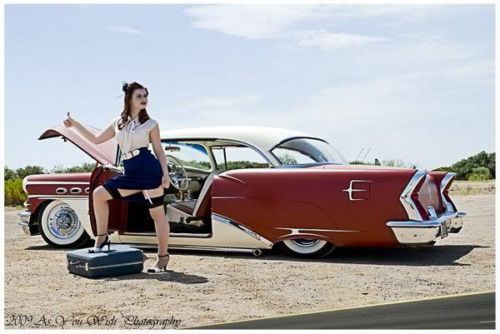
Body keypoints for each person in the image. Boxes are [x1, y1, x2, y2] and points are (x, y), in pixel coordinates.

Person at [63, 81, 171, 273]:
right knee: (98, 195)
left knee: (157, 214)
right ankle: (102, 237)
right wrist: (75, 125)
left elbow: (159, 151)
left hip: (149, 169)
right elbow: (96, 140)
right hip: (130, 171)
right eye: (139, 96)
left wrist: (165, 174)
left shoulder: (151, 124)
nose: (144, 99)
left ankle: (162, 258)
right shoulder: (118, 123)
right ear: (129, 98)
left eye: (145, 96)